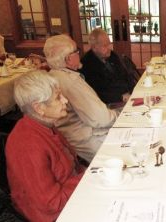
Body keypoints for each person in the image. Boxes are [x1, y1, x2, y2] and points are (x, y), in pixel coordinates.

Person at [6, 71, 85, 221]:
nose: (65, 100)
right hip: (53, 215)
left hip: (71, 194)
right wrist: (88, 177)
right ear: (38, 108)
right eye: (58, 98)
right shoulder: (27, 145)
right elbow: (52, 204)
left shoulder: (46, 124)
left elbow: (73, 165)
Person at [44, 34, 118, 162]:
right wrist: (120, 115)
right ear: (68, 59)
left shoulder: (52, 76)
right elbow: (101, 118)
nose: (79, 54)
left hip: (72, 137)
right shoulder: (71, 81)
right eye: (76, 51)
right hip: (87, 140)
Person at [80, 28, 135, 105]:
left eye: (109, 44)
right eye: (105, 45)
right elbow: (97, 93)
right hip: (110, 103)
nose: (109, 48)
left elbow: (125, 75)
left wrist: (133, 90)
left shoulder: (112, 55)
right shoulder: (87, 64)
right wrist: (121, 97)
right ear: (94, 47)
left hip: (126, 95)